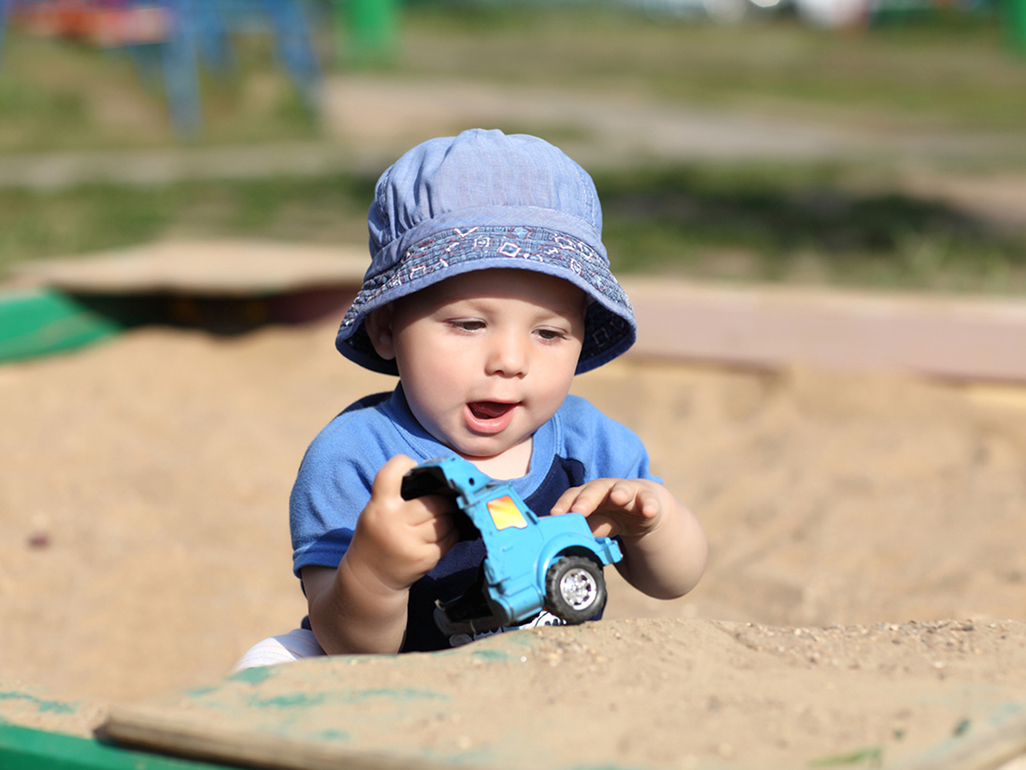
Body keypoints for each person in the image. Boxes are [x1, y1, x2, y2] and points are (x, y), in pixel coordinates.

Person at [232, 129, 707, 669]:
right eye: (470, 324)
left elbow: (676, 581)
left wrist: (654, 523)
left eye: (548, 334)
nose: (510, 360)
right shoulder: (358, 454)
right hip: (390, 678)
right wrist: (374, 574)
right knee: (269, 665)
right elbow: (347, 645)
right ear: (387, 329)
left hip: (548, 675)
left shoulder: (586, 441)